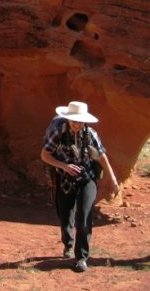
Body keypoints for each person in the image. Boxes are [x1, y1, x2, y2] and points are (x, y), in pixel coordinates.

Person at [41, 101, 119, 272]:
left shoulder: (90, 134)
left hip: (87, 178)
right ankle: (68, 243)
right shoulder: (58, 132)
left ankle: (81, 257)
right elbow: (45, 155)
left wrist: (112, 178)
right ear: (68, 119)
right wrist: (63, 166)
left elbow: (101, 157)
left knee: (84, 217)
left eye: (80, 121)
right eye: (73, 120)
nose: (76, 124)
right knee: (65, 215)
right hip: (64, 179)